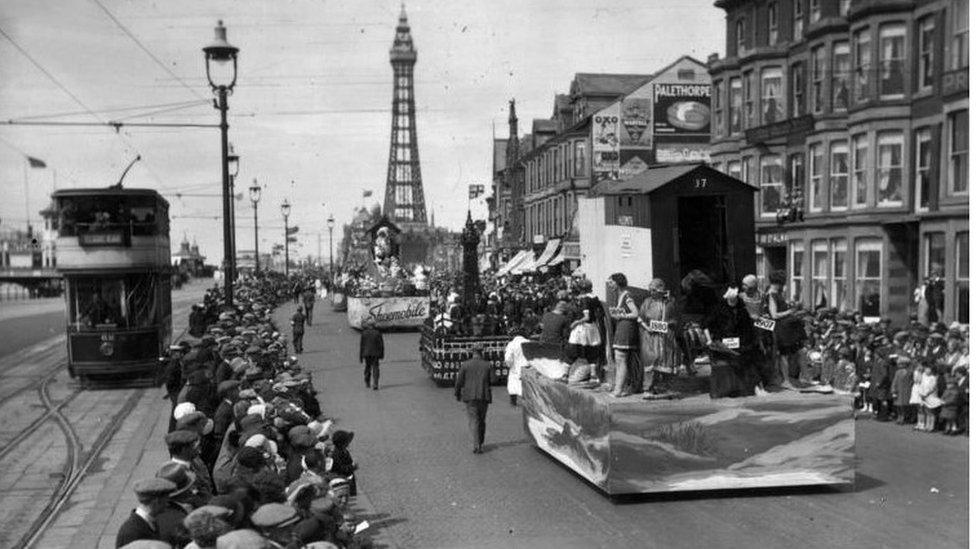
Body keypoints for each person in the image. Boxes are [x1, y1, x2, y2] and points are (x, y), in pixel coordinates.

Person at [704, 287, 762, 397]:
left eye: (735, 298)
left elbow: (749, 324)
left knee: (748, 357)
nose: (733, 300)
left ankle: (752, 387)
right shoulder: (718, 309)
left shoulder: (742, 309)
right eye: (731, 298)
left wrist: (759, 323)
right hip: (722, 342)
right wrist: (709, 340)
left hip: (741, 342)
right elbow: (706, 325)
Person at [638, 278, 680, 394]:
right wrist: (647, 328)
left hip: (666, 337)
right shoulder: (647, 302)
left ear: (660, 291)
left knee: (667, 361)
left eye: (654, 290)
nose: (651, 292)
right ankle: (648, 388)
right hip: (651, 337)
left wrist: (669, 325)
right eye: (650, 290)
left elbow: (675, 319)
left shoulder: (670, 302)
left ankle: (665, 387)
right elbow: (640, 318)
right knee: (652, 360)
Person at [766, 269, 805, 388]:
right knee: (783, 355)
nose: (783, 286)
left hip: (785, 328)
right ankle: (786, 380)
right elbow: (774, 315)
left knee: (789, 353)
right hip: (780, 328)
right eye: (782, 283)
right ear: (778, 283)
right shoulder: (771, 294)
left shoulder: (776, 293)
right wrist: (789, 311)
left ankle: (789, 378)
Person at [454, 342, 494, 454]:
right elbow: (494, 379)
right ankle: (480, 442)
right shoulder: (488, 364)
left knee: (474, 420)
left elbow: (459, 382)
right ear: (482, 352)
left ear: (472, 352)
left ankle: (477, 445)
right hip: (484, 396)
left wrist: (457, 393)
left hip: (470, 396)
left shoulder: (465, 365)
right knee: (482, 420)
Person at [116, 478, 177, 548]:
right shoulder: (131, 532)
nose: (167, 504)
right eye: (166, 500)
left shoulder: (150, 521)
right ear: (157, 501)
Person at [566, 279, 605, 384]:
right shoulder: (595, 298)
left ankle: (565, 374)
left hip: (583, 328)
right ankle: (593, 375)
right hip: (593, 327)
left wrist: (575, 322)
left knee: (573, 350)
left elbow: (586, 317)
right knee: (592, 352)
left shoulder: (584, 300)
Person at [607, 273, 640, 397]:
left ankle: (618, 390)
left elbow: (635, 313)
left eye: (611, 282)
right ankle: (621, 387)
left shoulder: (626, 295)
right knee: (620, 358)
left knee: (621, 358)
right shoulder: (620, 295)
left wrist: (622, 315)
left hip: (626, 328)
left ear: (617, 282)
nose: (610, 285)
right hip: (622, 327)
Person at [359, 318, 385, 390]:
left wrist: (361, 356)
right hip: (375, 353)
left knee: (367, 367)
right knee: (375, 368)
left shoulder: (364, 333)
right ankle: (375, 383)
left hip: (366, 353)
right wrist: (382, 354)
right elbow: (381, 345)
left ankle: (367, 381)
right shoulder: (377, 333)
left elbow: (362, 345)